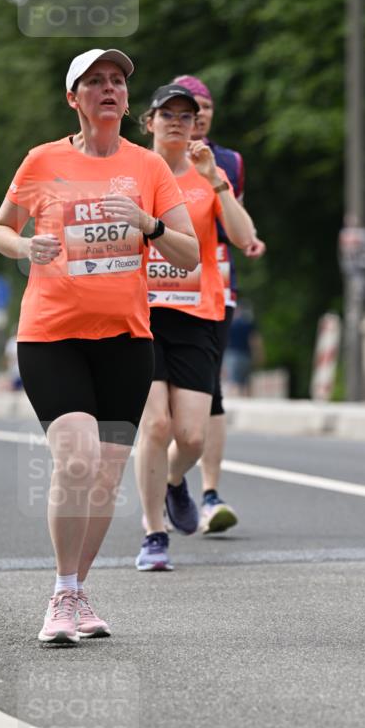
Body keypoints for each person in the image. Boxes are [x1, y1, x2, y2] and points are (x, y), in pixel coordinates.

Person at [0, 49, 199, 644]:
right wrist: (23, 248)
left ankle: (77, 592)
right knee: (76, 460)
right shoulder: (42, 160)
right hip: (52, 335)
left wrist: (148, 224)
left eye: (117, 82)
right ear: (73, 98)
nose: (108, 89)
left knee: (104, 480)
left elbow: (189, 255)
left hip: (127, 341)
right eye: (94, 82)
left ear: (127, 101)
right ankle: (60, 593)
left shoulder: (149, 168)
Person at [134, 84, 255, 570]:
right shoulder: (130, 173)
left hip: (196, 315)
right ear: (150, 122)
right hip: (138, 315)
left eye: (186, 116)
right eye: (168, 115)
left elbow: (245, 239)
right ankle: (153, 534)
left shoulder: (211, 175)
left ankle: (172, 482)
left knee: (192, 438)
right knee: (157, 424)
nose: (178, 123)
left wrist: (217, 182)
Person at [172, 75, 266, 533]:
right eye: (189, 107)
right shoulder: (149, 159)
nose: (199, 113)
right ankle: (164, 489)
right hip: (154, 293)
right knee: (161, 404)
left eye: (205, 106)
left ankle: (208, 494)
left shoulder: (227, 161)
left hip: (214, 287)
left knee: (210, 393)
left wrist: (248, 239)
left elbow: (233, 222)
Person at [223, 302, 264, 396]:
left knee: (234, 380)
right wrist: (259, 354)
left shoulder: (230, 324)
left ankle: (237, 400)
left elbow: (224, 340)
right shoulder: (249, 324)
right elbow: (255, 340)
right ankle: (246, 399)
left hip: (232, 355)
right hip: (246, 355)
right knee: (246, 380)